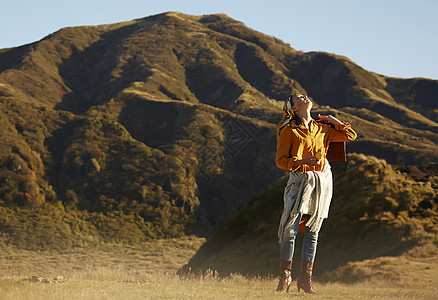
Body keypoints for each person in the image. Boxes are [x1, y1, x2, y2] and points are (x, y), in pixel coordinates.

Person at [275, 93, 357, 293]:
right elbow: (280, 160)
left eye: (304, 95)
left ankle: (305, 279)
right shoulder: (288, 130)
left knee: (313, 232)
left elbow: (350, 135)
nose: (304, 97)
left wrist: (331, 119)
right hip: (298, 181)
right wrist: (301, 162)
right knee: (290, 230)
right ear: (293, 108)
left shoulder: (323, 128)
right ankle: (285, 278)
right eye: (298, 97)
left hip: (321, 182)